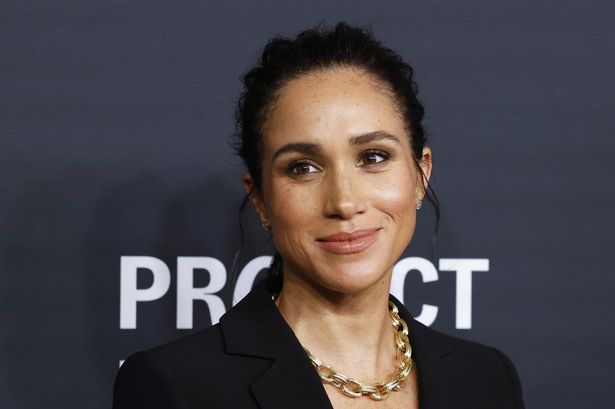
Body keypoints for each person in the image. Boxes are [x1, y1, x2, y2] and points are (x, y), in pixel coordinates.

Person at [112, 22, 525, 409]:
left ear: (420, 176)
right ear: (259, 198)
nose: (344, 202)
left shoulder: (488, 379)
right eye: (302, 167)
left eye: (373, 157)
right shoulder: (175, 387)